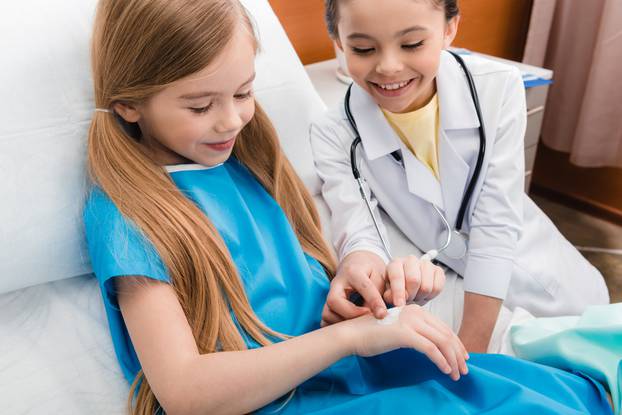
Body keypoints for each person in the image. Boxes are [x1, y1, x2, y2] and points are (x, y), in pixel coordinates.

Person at [83, 0, 612, 413]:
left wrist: (354, 292)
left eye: (244, 93)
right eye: (201, 106)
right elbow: (187, 395)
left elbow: (308, 288)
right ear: (128, 104)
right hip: (308, 394)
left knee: (556, 385)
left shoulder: (247, 163)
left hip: (352, 369)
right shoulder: (130, 214)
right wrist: (350, 334)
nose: (231, 121)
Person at [310, 0, 609, 353]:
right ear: (339, 42)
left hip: (547, 280)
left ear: (449, 28)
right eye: (363, 48)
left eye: (412, 44)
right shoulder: (333, 133)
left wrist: (473, 352)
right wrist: (360, 262)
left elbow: (495, 225)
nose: (388, 67)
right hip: (450, 284)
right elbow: (359, 230)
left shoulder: (497, 88)